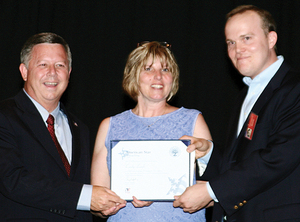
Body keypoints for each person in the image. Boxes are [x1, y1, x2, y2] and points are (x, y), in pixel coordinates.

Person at [173, 4, 300, 221]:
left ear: (271, 39)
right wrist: (210, 153)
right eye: (230, 43)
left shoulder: (294, 89)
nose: (237, 49)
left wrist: (211, 191)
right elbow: (243, 159)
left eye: (246, 38)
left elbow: (278, 157)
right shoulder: (245, 94)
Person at [0, 32, 126, 221]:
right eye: (42, 64)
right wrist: (85, 197)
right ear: (24, 71)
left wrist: (100, 207)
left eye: (60, 65)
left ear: (69, 73)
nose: (52, 72)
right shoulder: (5, 116)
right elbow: (12, 180)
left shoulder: (79, 128)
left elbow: (79, 191)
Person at [91, 41, 213, 221]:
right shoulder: (110, 126)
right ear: (133, 75)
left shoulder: (193, 120)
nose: (158, 76)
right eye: (148, 69)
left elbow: (219, 191)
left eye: (165, 70)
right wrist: (116, 202)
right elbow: (97, 203)